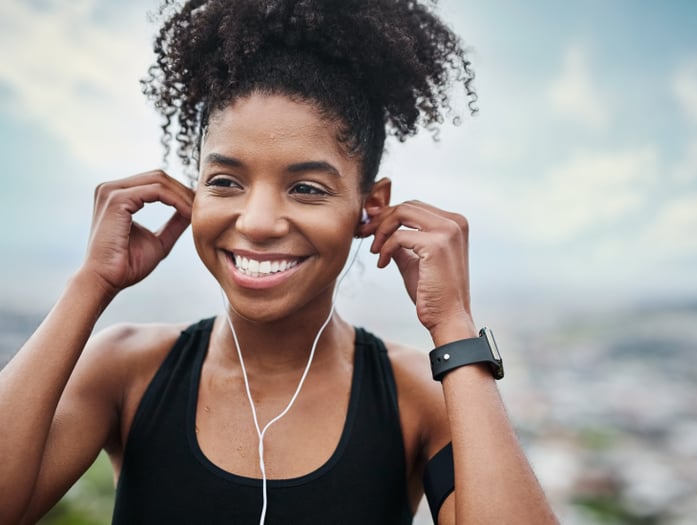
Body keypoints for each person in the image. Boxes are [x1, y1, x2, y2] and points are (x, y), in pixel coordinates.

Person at [0, 0, 558, 523]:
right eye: (225, 181)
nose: (259, 221)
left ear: (371, 205)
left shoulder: (420, 397)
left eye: (308, 188)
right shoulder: (127, 369)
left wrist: (454, 326)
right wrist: (90, 284)